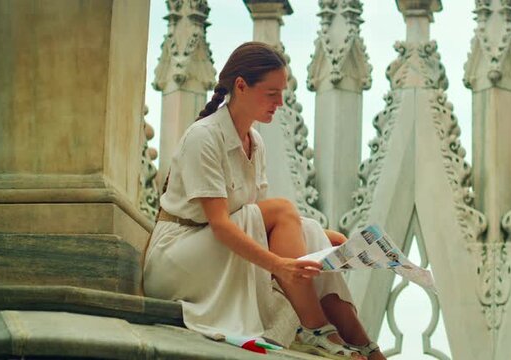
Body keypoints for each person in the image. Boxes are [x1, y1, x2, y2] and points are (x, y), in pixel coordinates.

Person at [143, 41, 384, 360]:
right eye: (272, 93)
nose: (280, 102)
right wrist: (279, 266)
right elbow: (221, 225)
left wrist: (335, 244)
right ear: (241, 86)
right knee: (287, 212)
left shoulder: (255, 142)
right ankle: (313, 329)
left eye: (282, 93)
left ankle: (365, 346)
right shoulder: (204, 137)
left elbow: (262, 223)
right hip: (176, 259)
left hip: (213, 252)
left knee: (312, 231)